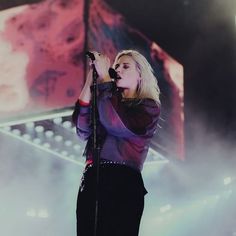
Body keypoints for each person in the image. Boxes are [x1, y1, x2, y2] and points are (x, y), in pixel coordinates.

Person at [72, 49, 161, 236]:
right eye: (116, 66)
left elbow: (117, 124)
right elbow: (82, 129)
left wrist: (105, 77)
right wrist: (92, 79)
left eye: (125, 66)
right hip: (92, 179)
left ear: (140, 76)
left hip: (122, 183)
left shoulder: (148, 107)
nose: (118, 69)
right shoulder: (105, 102)